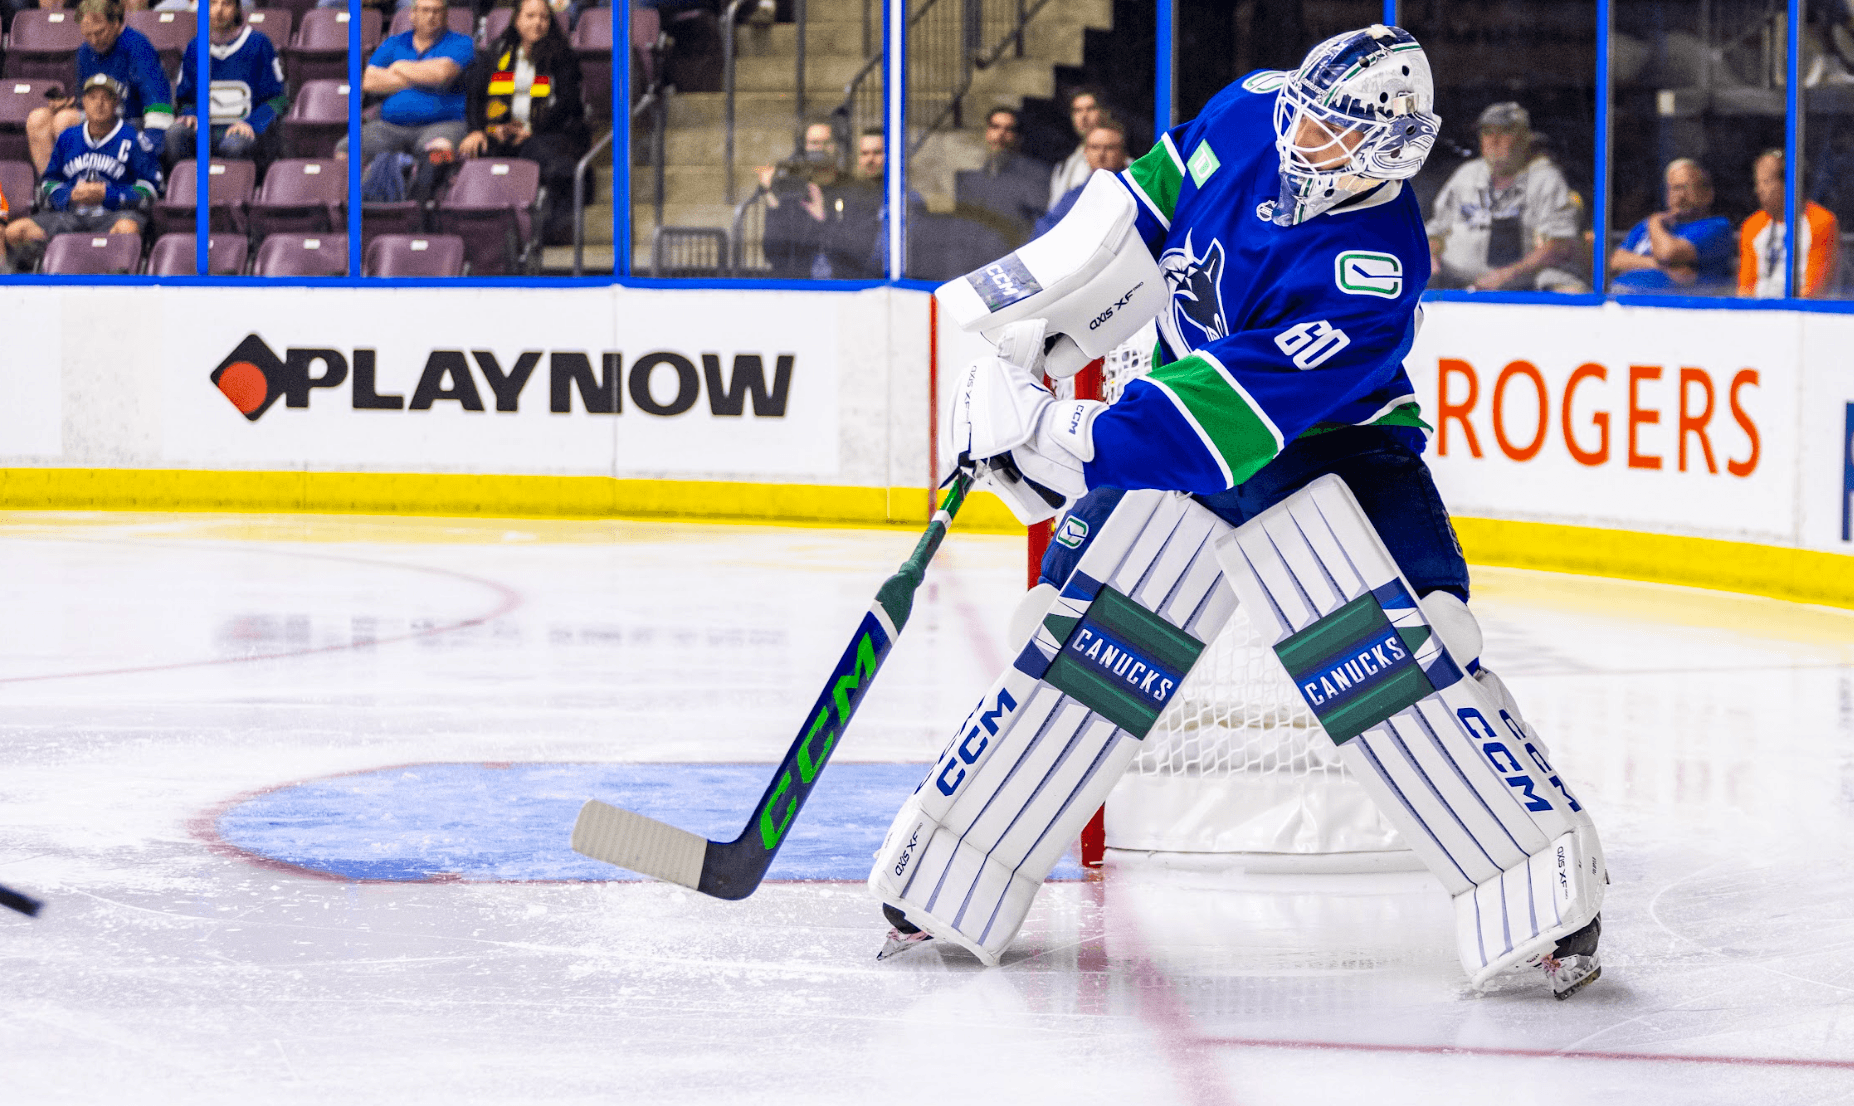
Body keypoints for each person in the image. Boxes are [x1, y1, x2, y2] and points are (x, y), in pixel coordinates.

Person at [871, 25, 1606, 1000]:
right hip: (1177, 426)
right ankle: (950, 872)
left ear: (1394, 148)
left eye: (1340, 132)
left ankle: (1541, 890)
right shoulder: (1259, 105)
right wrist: (1036, 309)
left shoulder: (1371, 269)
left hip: (1329, 450)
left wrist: (1065, 434)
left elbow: (1227, 415)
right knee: (1068, 636)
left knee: (1421, 646)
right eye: (1309, 111)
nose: (1307, 137)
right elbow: (1145, 198)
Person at [462, 0, 588, 245]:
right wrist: (480, 130)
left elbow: (568, 103)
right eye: (530, 16)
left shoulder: (562, 55)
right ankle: (486, 235)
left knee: (540, 153)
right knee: (478, 151)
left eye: (544, 17)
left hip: (549, 131)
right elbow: (476, 97)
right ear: (517, 20)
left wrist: (531, 129)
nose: (538, 23)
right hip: (501, 131)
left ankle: (548, 233)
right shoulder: (497, 52)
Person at [6, 75, 161, 270]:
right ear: (84, 103)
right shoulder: (68, 137)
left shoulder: (133, 138)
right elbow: (48, 182)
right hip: (71, 216)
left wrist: (108, 195)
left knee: (128, 229)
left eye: (106, 98)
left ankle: (117, 281)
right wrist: (69, 194)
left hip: (114, 215)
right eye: (93, 97)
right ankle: (35, 282)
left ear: (116, 103)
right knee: (15, 232)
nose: (99, 103)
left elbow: (150, 189)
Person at [1426, 102, 1584, 292]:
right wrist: (1431, 257)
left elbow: (1560, 246)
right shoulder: (1467, 174)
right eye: (1487, 132)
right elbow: (1436, 231)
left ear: (1525, 138)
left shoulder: (1545, 179)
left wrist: (1507, 275)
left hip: (1520, 286)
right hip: (1454, 282)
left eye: (1505, 131)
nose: (1494, 140)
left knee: (1566, 288)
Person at [24, 0, 173, 175]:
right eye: (88, 34)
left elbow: (157, 99)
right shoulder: (85, 53)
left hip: (132, 122)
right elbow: (85, 99)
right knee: (37, 119)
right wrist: (70, 104)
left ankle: (79, 184)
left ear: (116, 23)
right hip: (100, 117)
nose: (94, 40)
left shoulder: (138, 46)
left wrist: (150, 147)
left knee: (64, 121)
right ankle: (52, 189)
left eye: (100, 32)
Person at [345, 0, 477, 169]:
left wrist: (398, 66)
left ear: (446, 15)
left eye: (437, 11)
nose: (431, 16)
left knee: (438, 155)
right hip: (391, 126)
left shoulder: (462, 43)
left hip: (445, 124)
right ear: (413, 14)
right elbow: (369, 81)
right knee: (346, 150)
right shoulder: (394, 43)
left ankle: (422, 196)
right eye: (425, 10)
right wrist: (422, 77)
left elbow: (441, 74)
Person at [166, 0, 288, 173]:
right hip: (206, 132)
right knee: (175, 134)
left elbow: (278, 100)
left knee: (234, 145)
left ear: (238, 8)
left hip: (248, 134)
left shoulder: (259, 44)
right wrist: (190, 114)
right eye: (212, 3)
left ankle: (235, 194)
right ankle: (185, 191)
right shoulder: (195, 47)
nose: (219, 10)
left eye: (227, 4)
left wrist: (252, 124)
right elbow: (185, 98)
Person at [755, 121, 881, 279]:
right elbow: (773, 253)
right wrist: (771, 198)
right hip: (798, 288)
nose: (820, 148)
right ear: (804, 148)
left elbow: (859, 250)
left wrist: (822, 218)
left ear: (837, 147)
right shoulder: (794, 189)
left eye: (827, 143)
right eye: (814, 143)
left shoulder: (858, 190)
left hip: (844, 288)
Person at [1608, 158, 1736, 294]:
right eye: (1674, 189)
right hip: (1620, 297)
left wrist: (1655, 222)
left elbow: (1667, 254)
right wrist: (1657, 264)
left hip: (1672, 304)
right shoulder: (1648, 225)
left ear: (1707, 194)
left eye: (1686, 188)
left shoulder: (1717, 226)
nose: (1680, 196)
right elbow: (1615, 261)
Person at [1739, 148, 1840, 298]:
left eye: (1766, 182)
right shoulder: (1752, 225)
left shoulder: (1821, 221)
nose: (1759, 190)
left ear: (1790, 182)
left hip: (1802, 315)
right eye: (1757, 182)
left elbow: (1815, 289)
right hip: (1759, 314)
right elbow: (1745, 289)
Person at [954, 106, 1049, 243]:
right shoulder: (970, 177)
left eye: (1008, 129)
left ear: (1018, 137)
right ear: (987, 132)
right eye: (995, 127)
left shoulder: (1037, 174)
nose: (1000, 134)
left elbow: (1041, 224)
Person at [1031, 115, 1129, 237]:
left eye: (1109, 148)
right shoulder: (1073, 196)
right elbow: (1044, 232)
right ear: (1085, 152)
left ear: (1123, 153)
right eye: (1095, 147)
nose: (1101, 154)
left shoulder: (1134, 192)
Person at [1047, 85, 1104, 208]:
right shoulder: (1063, 165)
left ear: (1103, 112)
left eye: (1090, 109)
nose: (1084, 116)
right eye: (1077, 110)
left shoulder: (1121, 163)